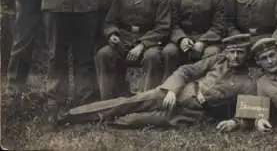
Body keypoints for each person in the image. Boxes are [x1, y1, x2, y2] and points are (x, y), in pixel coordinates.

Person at [58, 34, 256, 132]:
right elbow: (186, 70)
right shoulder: (217, 59)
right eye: (232, 51)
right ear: (227, 51)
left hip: (192, 114)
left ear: (247, 55)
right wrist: (171, 89)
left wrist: (234, 123)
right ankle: (73, 115)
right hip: (178, 93)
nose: (236, 56)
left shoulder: (248, 82)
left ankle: (93, 123)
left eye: (240, 52)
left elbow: (247, 115)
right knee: (129, 102)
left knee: (134, 121)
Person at [95, 0, 170, 100]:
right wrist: (112, 34)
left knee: (152, 57)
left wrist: (142, 45)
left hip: (149, 41)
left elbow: (163, 27)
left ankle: (146, 100)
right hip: (125, 38)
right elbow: (110, 21)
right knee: (104, 54)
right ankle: (108, 101)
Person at [161, 0, 226, 80]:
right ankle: (169, 83)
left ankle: (206, 87)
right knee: (169, 51)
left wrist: (203, 41)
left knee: (212, 53)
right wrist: (181, 39)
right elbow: (172, 23)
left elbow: (220, 25)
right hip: (184, 36)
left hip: (208, 39)